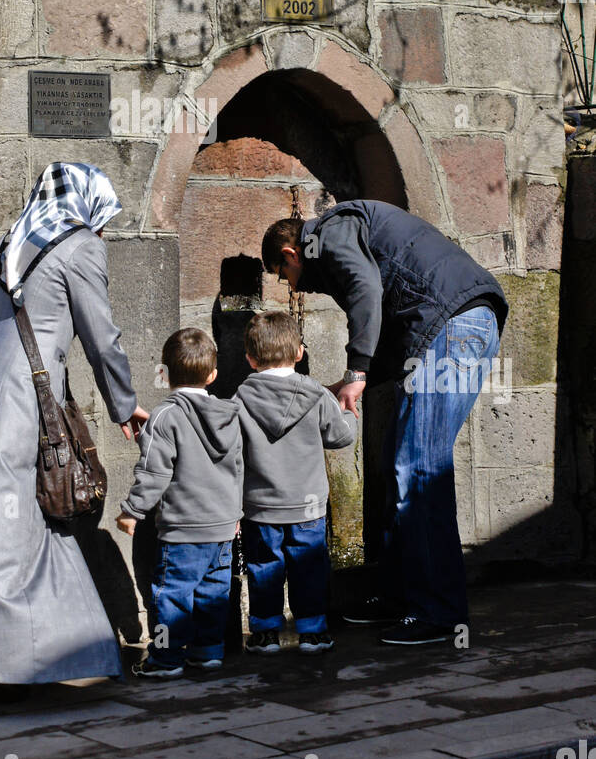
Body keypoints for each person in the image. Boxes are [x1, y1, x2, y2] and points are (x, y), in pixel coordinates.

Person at [0, 162, 148, 700]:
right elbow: (102, 336)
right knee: (12, 529)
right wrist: (125, 404)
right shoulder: (80, 247)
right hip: (24, 394)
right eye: (105, 216)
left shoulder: (11, 242)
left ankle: (4, 662)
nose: (105, 229)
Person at [262, 199, 508, 646]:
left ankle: (439, 614)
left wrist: (357, 372)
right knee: (403, 466)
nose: (293, 288)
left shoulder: (330, 234)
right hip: (447, 328)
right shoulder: (348, 232)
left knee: (419, 470)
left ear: (290, 254)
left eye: (285, 277)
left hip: (452, 328)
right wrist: (358, 376)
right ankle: (402, 597)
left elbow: (365, 289)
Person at [116, 328, 242, 679]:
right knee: (214, 593)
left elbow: (154, 472)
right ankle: (208, 652)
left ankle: (165, 657)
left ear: (164, 373)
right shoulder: (229, 415)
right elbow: (238, 469)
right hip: (222, 528)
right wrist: (237, 514)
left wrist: (133, 510)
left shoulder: (164, 416)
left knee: (168, 596)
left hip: (182, 530)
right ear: (213, 375)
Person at [234, 311, 356, 656]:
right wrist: (347, 412)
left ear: (250, 358)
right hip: (308, 504)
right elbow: (342, 437)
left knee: (263, 567)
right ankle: (313, 632)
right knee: (309, 566)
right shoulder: (315, 394)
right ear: (299, 352)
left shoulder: (240, 399)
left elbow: (230, 450)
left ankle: (265, 633)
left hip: (259, 506)